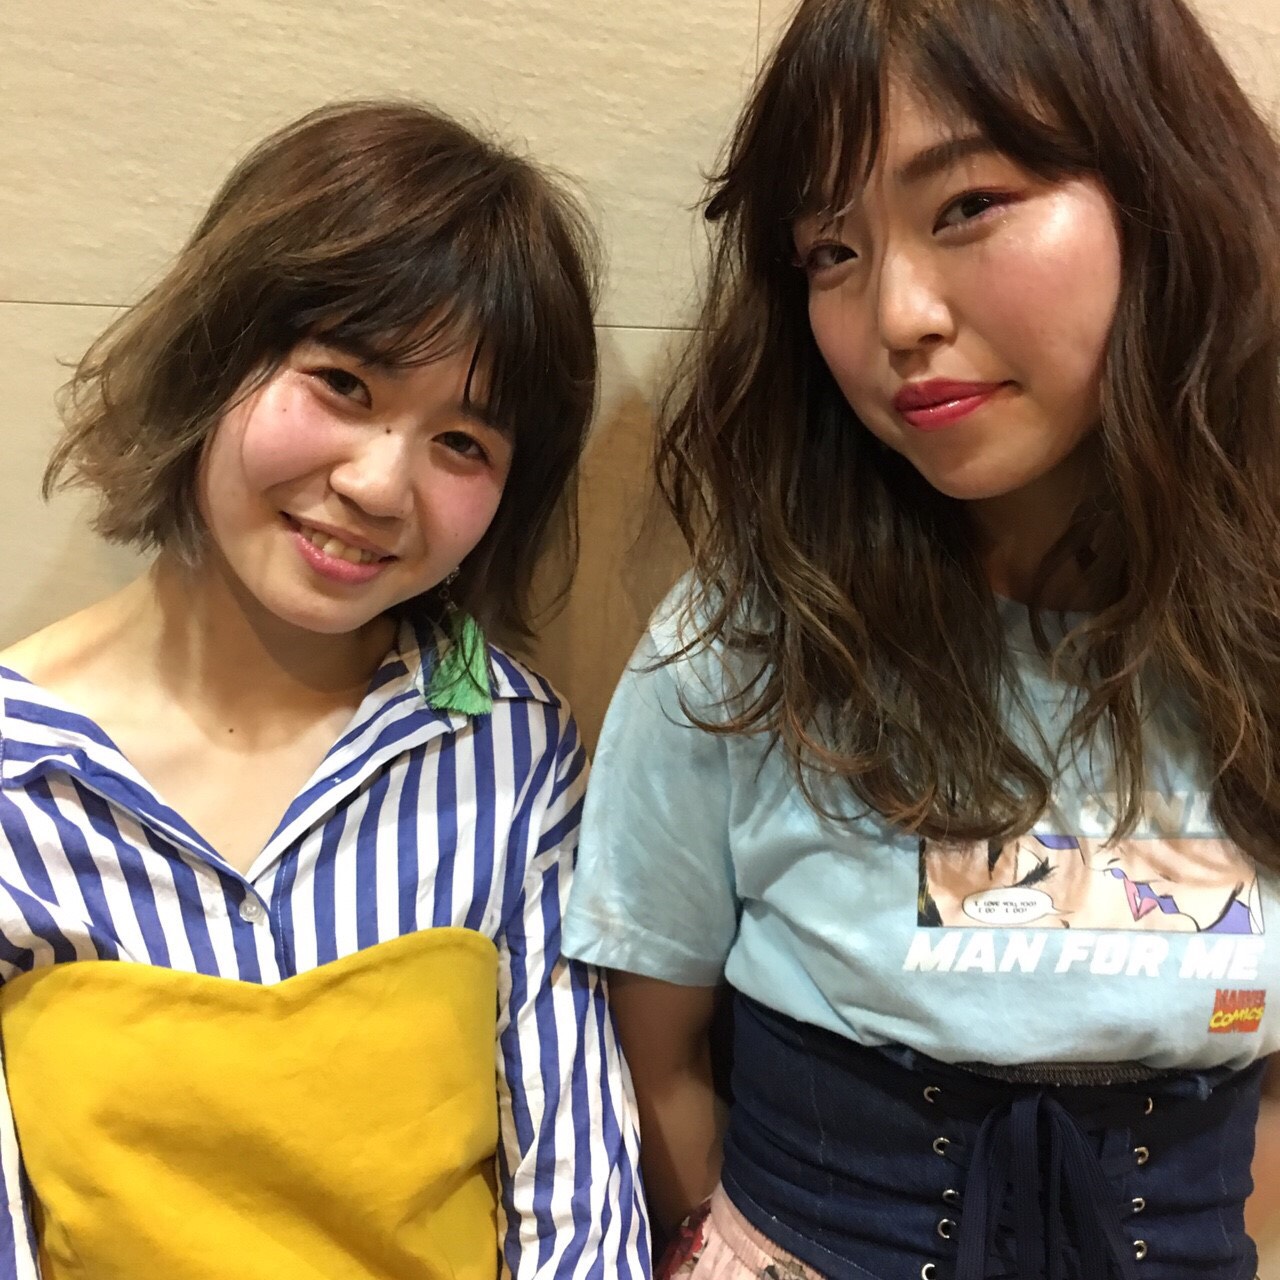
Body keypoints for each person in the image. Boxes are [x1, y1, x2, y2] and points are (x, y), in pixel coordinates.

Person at [561, 0, 1280, 1276]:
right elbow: (649, 1047)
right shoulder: (745, 644)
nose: (894, 315)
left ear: (1162, 190)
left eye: (966, 205)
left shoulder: (1255, 637)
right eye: (830, 251)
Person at [0, 101, 648, 1280]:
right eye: (342, 381)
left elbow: (578, 1201)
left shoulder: (506, 745)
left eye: (463, 443)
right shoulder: (14, 775)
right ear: (212, 357)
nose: (380, 483)